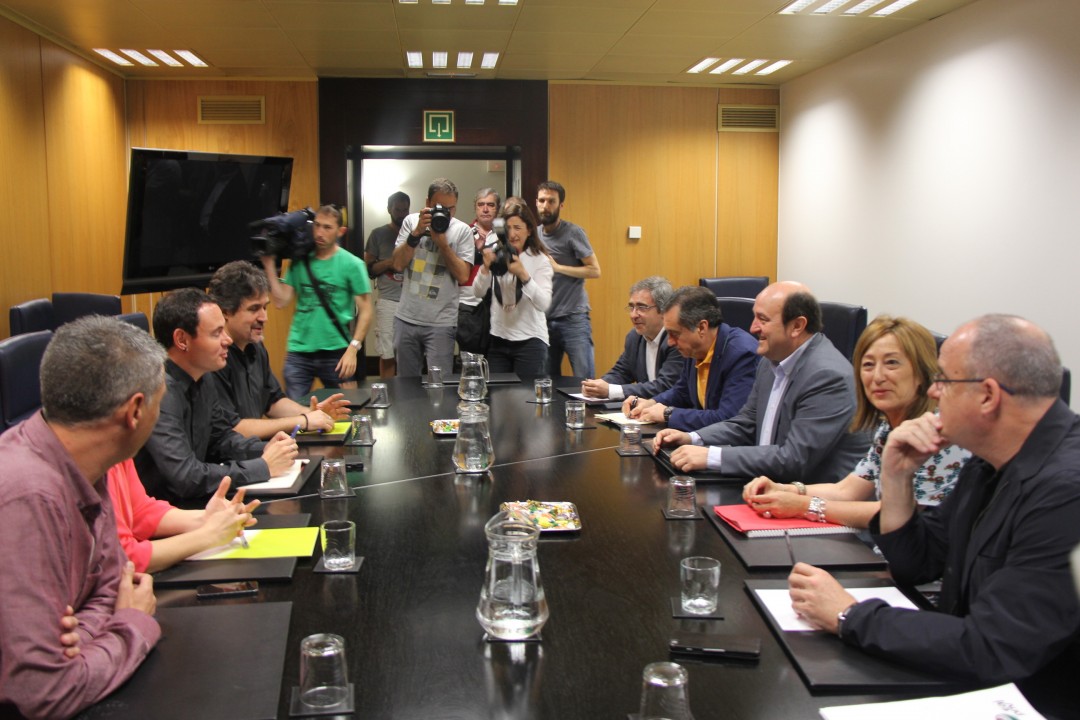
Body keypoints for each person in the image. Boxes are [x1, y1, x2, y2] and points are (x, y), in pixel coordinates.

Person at [788, 315, 1080, 714]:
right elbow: (919, 562)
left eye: (944, 380)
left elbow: (993, 646)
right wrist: (896, 476)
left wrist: (849, 614)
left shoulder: (1066, 491)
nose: (933, 391)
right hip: (975, 680)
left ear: (988, 395)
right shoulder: (988, 461)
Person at [0, 316, 161, 719]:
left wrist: (84, 637)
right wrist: (132, 624)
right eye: (160, 401)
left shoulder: (88, 464)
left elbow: (111, 586)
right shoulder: (27, 497)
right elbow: (43, 692)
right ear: (135, 411)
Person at [742, 315, 970, 528]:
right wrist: (783, 489)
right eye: (868, 365)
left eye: (891, 363)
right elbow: (847, 490)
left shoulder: (938, 432)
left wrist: (804, 506)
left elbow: (904, 515)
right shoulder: (888, 427)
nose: (877, 377)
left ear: (921, 372)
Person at [653, 281, 868, 483]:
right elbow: (746, 423)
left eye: (762, 319)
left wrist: (711, 456)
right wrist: (692, 438)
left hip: (811, 498)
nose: (753, 328)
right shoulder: (769, 361)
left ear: (797, 326)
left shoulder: (827, 376)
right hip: (767, 485)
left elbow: (793, 459)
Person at [134, 288, 298, 502]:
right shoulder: (159, 392)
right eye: (216, 333)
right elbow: (185, 477)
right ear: (182, 340)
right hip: (167, 510)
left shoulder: (204, 377)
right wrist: (262, 466)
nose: (227, 340)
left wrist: (264, 449)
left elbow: (221, 439)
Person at [209, 260, 350, 439]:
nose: (264, 317)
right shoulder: (213, 358)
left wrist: (313, 414)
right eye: (254, 309)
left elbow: (273, 401)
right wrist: (303, 420)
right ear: (225, 312)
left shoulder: (256, 347)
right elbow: (231, 429)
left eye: (265, 307)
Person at [261, 203, 373, 398]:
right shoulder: (300, 260)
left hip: (337, 350)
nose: (320, 233)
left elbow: (366, 311)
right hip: (299, 351)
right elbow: (281, 301)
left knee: (346, 407)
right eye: (317, 225)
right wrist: (269, 265)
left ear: (340, 231)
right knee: (296, 410)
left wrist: (353, 349)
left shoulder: (352, 264)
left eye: (327, 227)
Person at [622, 285, 759, 431]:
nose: (670, 342)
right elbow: (682, 392)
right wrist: (652, 403)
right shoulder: (695, 348)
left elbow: (728, 419)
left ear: (701, 328)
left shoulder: (742, 354)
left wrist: (668, 414)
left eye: (675, 334)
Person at [107, 461, 256, 573]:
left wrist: (206, 519)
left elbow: (139, 512)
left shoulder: (119, 451)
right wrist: (210, 534)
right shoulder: (98, 463)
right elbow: (121, 558)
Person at [391, 178, 475, 376]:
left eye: (451, 208)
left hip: (441, 323)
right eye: (440, 207)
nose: (445, 213)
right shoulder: (411, 221)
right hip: (406, 318)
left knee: (440, 384)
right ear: (428, 203)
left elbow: (463, 276)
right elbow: (397, 264)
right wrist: (417, 233)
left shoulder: (462, 230)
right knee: (406, 383)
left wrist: (443, 244)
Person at [471, 197, 554, 375]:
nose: (512, 234)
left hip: (530, 340)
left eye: (517, 228)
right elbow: (477, 292)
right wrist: (485, 267)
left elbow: (544, 304)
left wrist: (524, 275)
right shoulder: (497, 254)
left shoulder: (540, 260)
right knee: (497, 392)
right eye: (508, 228)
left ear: (529, 230)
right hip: (499, 338)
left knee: (525, 393)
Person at [580, 276, 683, 401]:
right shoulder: (634, 337)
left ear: (663, 310)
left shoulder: (677, 340)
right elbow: (621, 372)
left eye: (642, 307)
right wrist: (596, 386)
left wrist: (611, 390)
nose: (633, 315)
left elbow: (666, 386)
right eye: (631, 307)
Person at [537, 180, 600, 378]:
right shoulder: (535, 235)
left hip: (573, 318)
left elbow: (594, 270)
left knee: (585, 380)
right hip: (544, 320)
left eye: (551, 201)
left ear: (560, 205)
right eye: (542, 200)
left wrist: (558, 268)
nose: (545, 206)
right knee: (548, 382)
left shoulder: (573, 233)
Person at [364, 191, 410, 378]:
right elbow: (369, 269)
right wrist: (391, 263)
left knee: (410, 353)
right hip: (388, 300)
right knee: (387, 352)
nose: (401, 214)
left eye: (405, 210)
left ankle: (408, 393)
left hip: (412, 301)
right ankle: (388, 392)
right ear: (389, 209)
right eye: (398, 210)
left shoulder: (415, 234)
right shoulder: (378, 234)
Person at [457, 188, 501, 356]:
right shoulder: (464, 232)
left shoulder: (506, 234)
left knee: (496, 359)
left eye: (490, 205)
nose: (485, 209)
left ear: (498, 208)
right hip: (468, 305)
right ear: (475, 207)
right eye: (481, 204)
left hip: (498, 306)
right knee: (470, 359)